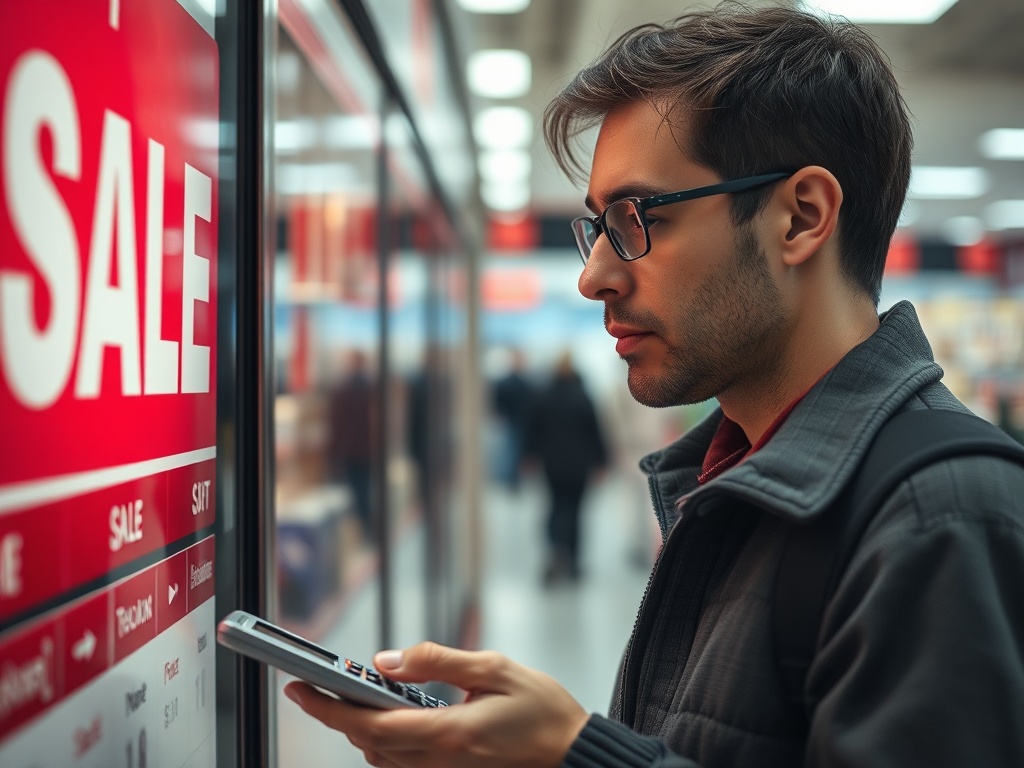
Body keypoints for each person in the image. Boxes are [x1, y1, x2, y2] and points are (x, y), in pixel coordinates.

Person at [285, 4, 1024, 766]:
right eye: (597, 226)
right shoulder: (730, 480)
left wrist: (573, 755)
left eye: (637, 218)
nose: (593, 275)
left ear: (801, 218)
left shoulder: (942, 517)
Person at [522, 350, 608, 584]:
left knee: (556, 507)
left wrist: (529, 456)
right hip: (579, 464)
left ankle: (556, 550)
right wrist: (602, 462)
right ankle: (574, 563)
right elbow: (596, 431)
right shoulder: (583, 396)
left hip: (552, 464)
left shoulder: (543, 395)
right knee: (575, 511)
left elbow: (532, 429)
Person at [491, 347, 536, 491]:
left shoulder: (525, 382)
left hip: (523, 422)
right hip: (512, 421)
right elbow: (499, 402)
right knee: (511, 451)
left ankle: (514, 479)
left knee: (517, 451)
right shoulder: (507, 382)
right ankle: (510, 480)